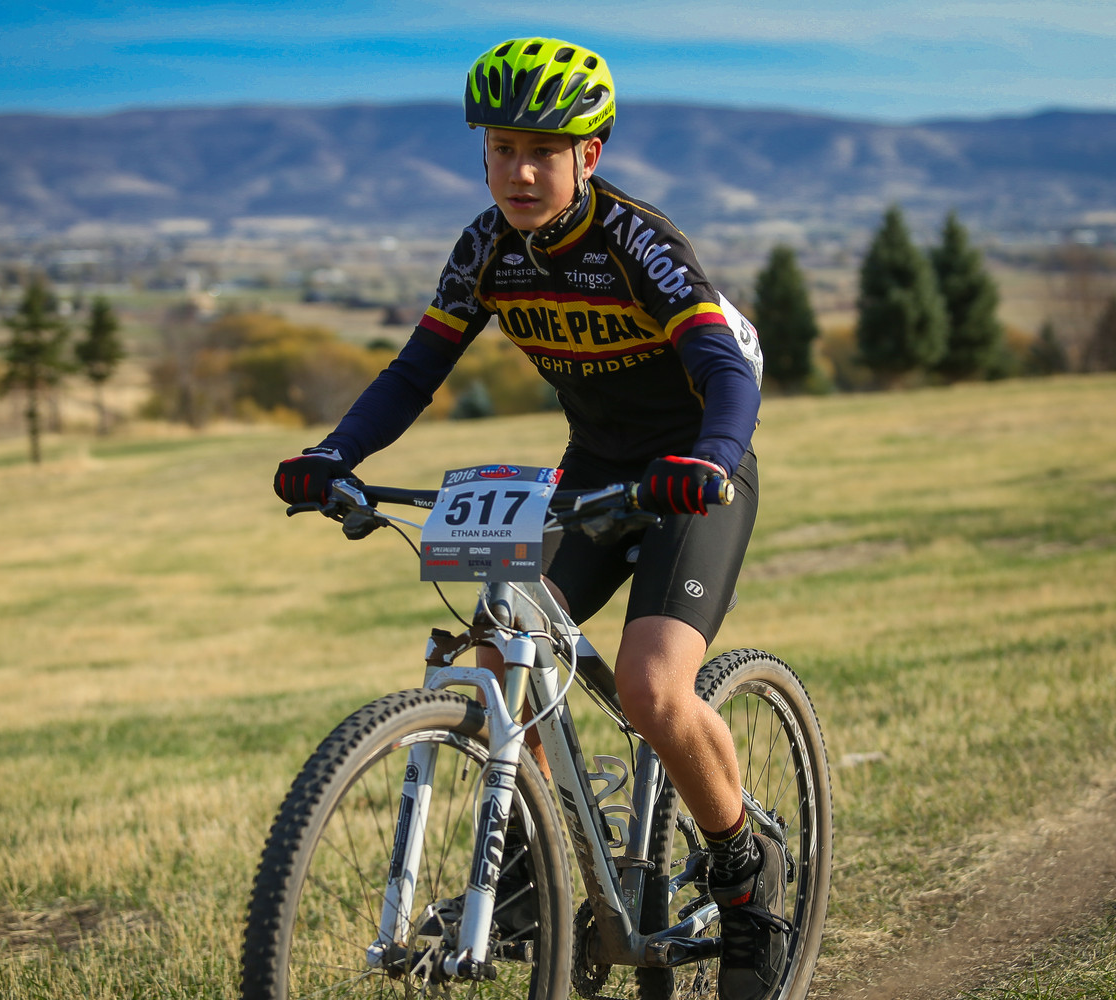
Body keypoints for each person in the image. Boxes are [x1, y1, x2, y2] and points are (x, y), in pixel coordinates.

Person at [274, 36, 786, 1000]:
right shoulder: (487, 250)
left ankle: (745, 876)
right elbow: (414, 372)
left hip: (691, 471)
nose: (518, 171)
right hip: (593, 470)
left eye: (542, 152)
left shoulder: (637, 243)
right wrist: (336, 456)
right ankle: (535, 869)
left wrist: (712, 459)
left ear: (589, 154)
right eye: (502, 148)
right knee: (499, 643)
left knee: (651, 689)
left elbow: (725, 368)